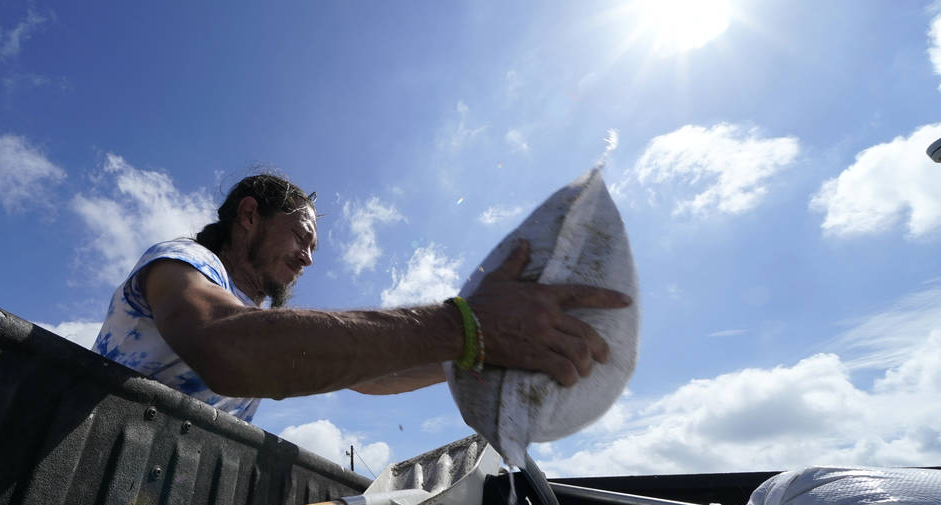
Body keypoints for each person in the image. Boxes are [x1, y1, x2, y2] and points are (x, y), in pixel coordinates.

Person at [94, 172, 631, 423]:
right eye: (301, 238)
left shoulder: (254, 320)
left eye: (313, 248)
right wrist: (466, 326)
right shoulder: (181, 264)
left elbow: (368, 373)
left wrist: (472, 352)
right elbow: (227, 349)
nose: (308, 258)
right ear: (250, 215)